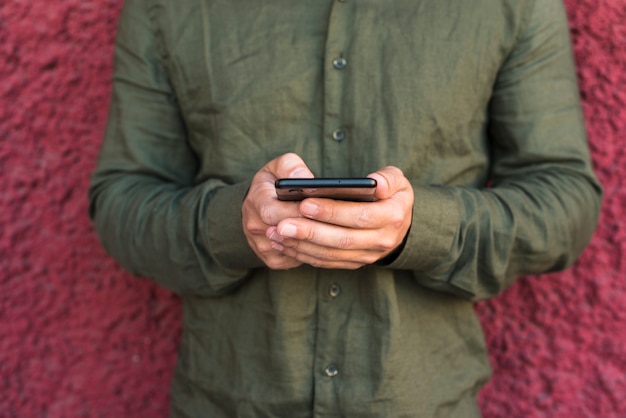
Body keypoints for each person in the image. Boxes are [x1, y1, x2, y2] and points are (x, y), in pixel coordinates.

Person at [88, 0, 602, 416]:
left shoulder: (512, 6)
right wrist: (232, 224)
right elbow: (121, 200)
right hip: (225, 402)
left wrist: (419, 228)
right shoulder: (167, 8)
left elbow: (565, 201)